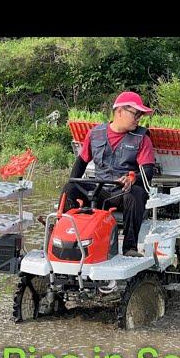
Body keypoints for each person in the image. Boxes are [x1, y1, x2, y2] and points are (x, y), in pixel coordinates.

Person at [62, 91, 156, 257]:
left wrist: (132, 178)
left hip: (122, 192)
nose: (138, 118)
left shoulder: (142, 138)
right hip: (100, 191)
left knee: (135, 193)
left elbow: (147, 171)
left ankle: (129, 248)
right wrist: (73, 183)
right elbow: (81, 163)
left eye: (140, 115)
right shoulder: (95, 134)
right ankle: (64, 236)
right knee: (70, 187)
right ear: (119, 111)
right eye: (136, 114)